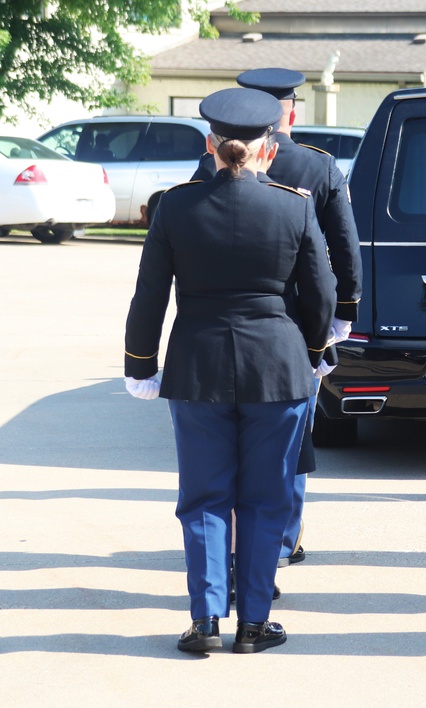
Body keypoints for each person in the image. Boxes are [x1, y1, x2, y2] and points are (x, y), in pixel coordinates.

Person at [123, 87, 338, 653]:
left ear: (210, 144)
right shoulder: (294, 204)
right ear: (268, 146)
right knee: (265, 499)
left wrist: (140, 364)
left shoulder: (175, 204)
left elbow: (149, 295)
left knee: (204, 498)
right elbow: (321, 294)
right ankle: (255, 622)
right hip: (278, 368)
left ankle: (205, 620)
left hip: (198, 367)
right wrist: (314, 352)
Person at [194, 68, 362, 567]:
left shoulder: (213, 161)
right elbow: (344, 251)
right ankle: (281, 540)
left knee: (228, 446)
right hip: (299, 325)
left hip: (223, 322)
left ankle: (229, 545)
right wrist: (343, 317)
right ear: (291, 111)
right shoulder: (320, 167)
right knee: (289, 443)